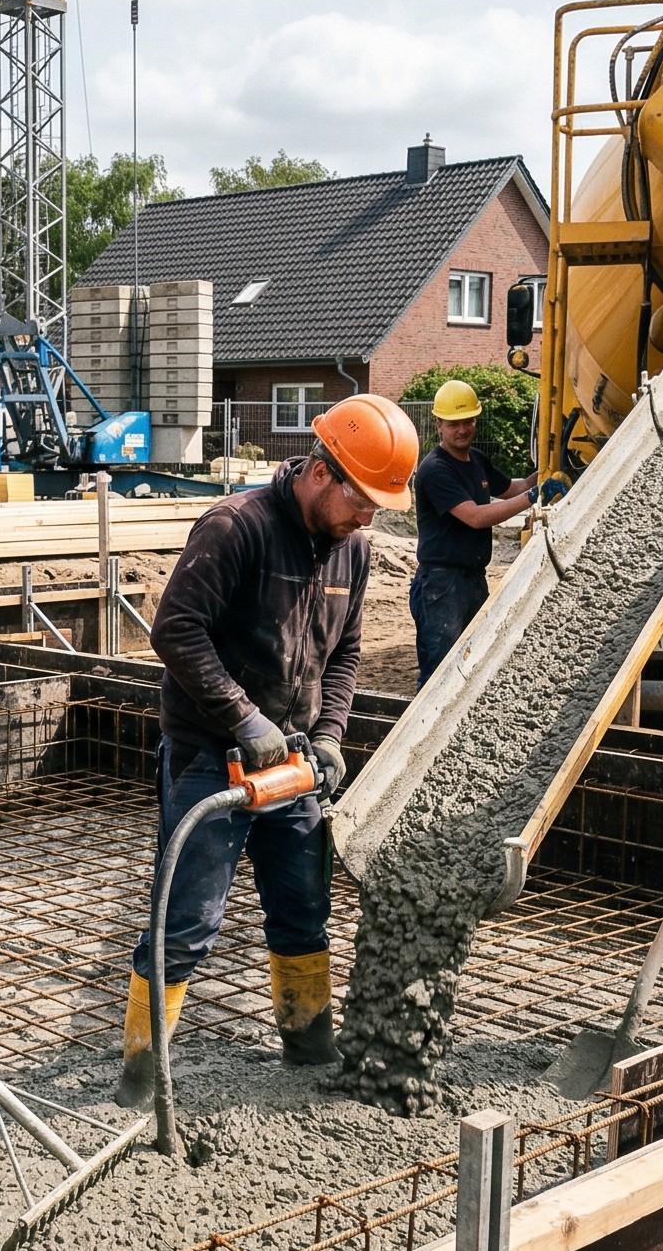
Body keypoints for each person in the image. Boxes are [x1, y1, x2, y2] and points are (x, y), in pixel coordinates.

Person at [115, 392, 416, 1106]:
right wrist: (245, 720)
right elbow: (176, 631)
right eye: (363, 499)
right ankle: (139, 1076)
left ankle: (308, 1044)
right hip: (210, 760)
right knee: (185, 920)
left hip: (293, 768)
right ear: (321, 471)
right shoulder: (236, 528)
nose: (369, 515)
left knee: (303, 908)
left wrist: (330, 734)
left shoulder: (354, 549)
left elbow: (344, 651)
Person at [408, 379, 544, 684]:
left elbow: (513, 488)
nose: (462, 429)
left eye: (468, 421)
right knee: (439, 676)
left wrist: (544, 474)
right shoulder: (435, 470)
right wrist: (533, 498)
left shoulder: (478, 460)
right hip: (442, 585)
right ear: (439, 425)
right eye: (454, 423)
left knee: (471, 669)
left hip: (473, 581)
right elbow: (475, 517)